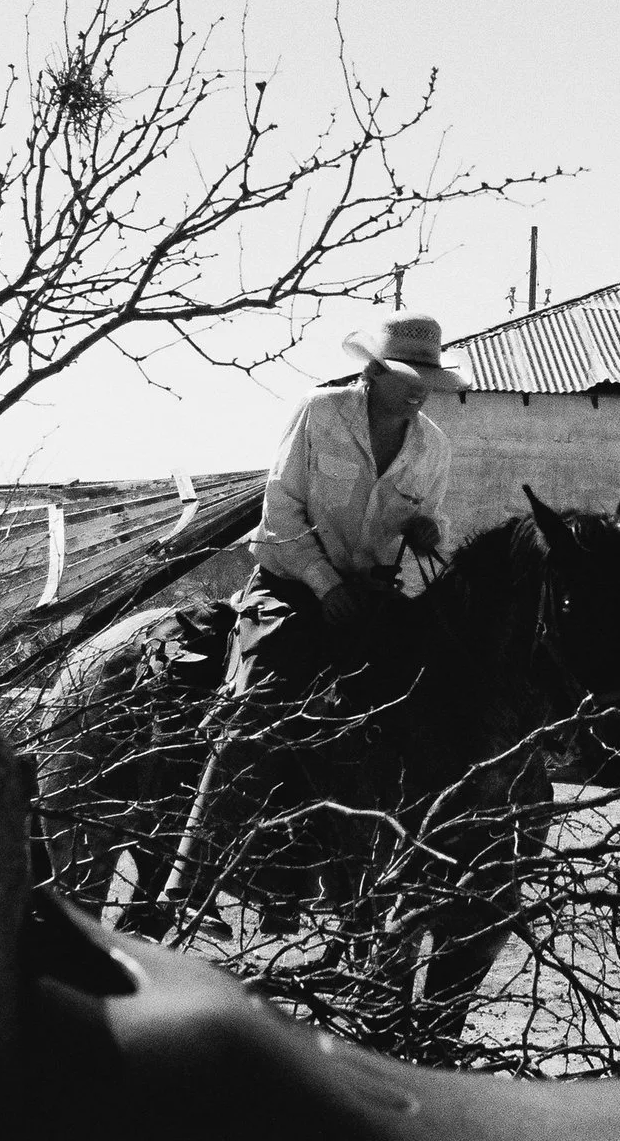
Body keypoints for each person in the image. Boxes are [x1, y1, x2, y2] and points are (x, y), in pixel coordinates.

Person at [174, 313, 469, 930]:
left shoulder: (433, 445)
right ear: (372, 370)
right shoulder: (319, 412)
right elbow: (280, 509)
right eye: (406, 376)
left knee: (422, 709)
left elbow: (433, 520)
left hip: (375, 596)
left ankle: (375, 880)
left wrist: (426, 532)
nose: (419, 389)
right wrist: (324, 584)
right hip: (290, 584)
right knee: (255, 706)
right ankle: (190, 877)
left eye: (427, 378)